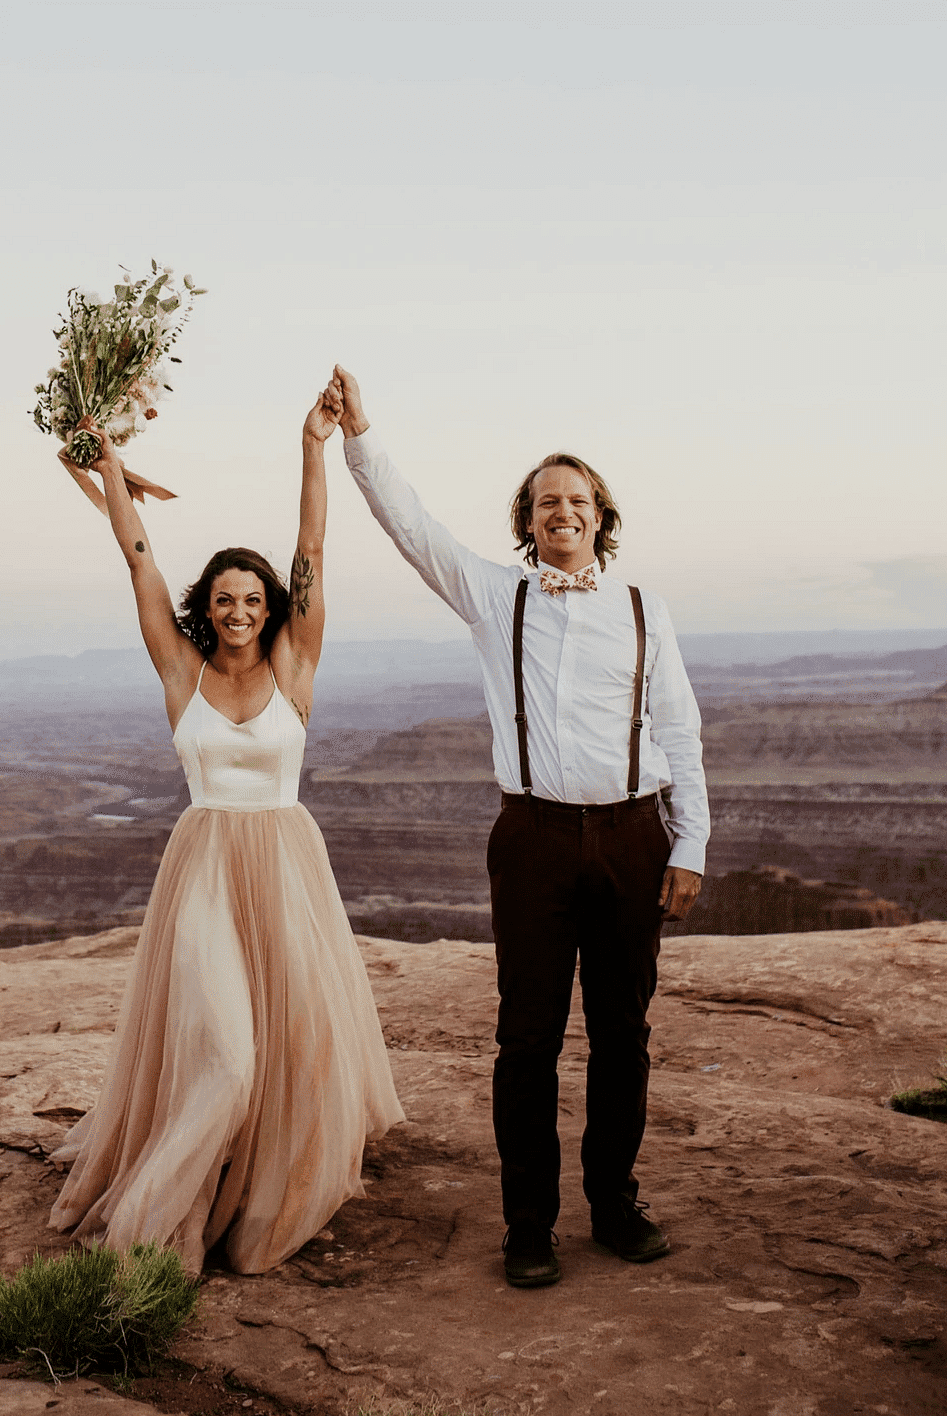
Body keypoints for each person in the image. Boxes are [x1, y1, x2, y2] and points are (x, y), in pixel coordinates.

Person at [330, 366, 707, 1289]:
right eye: (546, 501)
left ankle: (613, 1207)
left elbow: (680, 727)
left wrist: (689, 842)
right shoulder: (493, 597)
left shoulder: (642, 608)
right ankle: (527, 1228)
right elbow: (409, 525)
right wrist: (361, 433)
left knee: (622, 1036)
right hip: (532, 840)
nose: (562, 513)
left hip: (629, 834)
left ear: (599, 517)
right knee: (526, 1039)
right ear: (526, 517)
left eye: (577, 501)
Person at [47, 384, 405, 1275]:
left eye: (251, 599)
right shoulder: (179, 671)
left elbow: (311, 549)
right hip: (204, 866)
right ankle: (157, 1216)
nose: (237, 611)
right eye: (222, 600)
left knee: (289, 1048)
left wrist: (313, 444)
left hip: (285, 865)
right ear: (204, 607)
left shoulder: (295, 663)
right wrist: (108, 470)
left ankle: (252, 1190)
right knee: (227, 1055)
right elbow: (138, 561)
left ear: (268, 606)